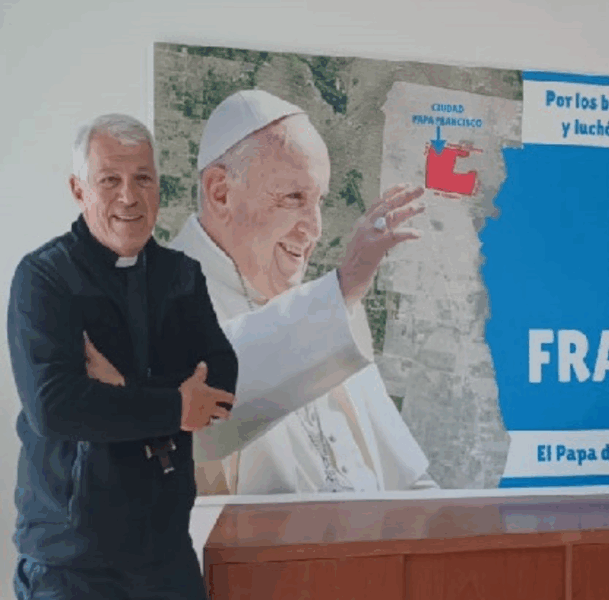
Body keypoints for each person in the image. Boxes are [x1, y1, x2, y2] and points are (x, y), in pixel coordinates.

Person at [7, 114, 238, 599]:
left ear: (159, 186)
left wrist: (121, 392)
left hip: (166, 551)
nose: (129, 197)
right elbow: (55, 407)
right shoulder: (44, 279)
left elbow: (221, 379)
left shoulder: (181, 275)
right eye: (109, 180)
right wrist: (175, 406)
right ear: (78, 190)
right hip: (71, 560)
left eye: (143, 179)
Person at [169, 89, 438, 495]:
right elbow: (208, 411)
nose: (314, 228)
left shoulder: (328, 308)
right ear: (220, 191)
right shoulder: (155, 297)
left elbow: (407, 480)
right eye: (293, 198)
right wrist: (342, 290)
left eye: (319, 201)